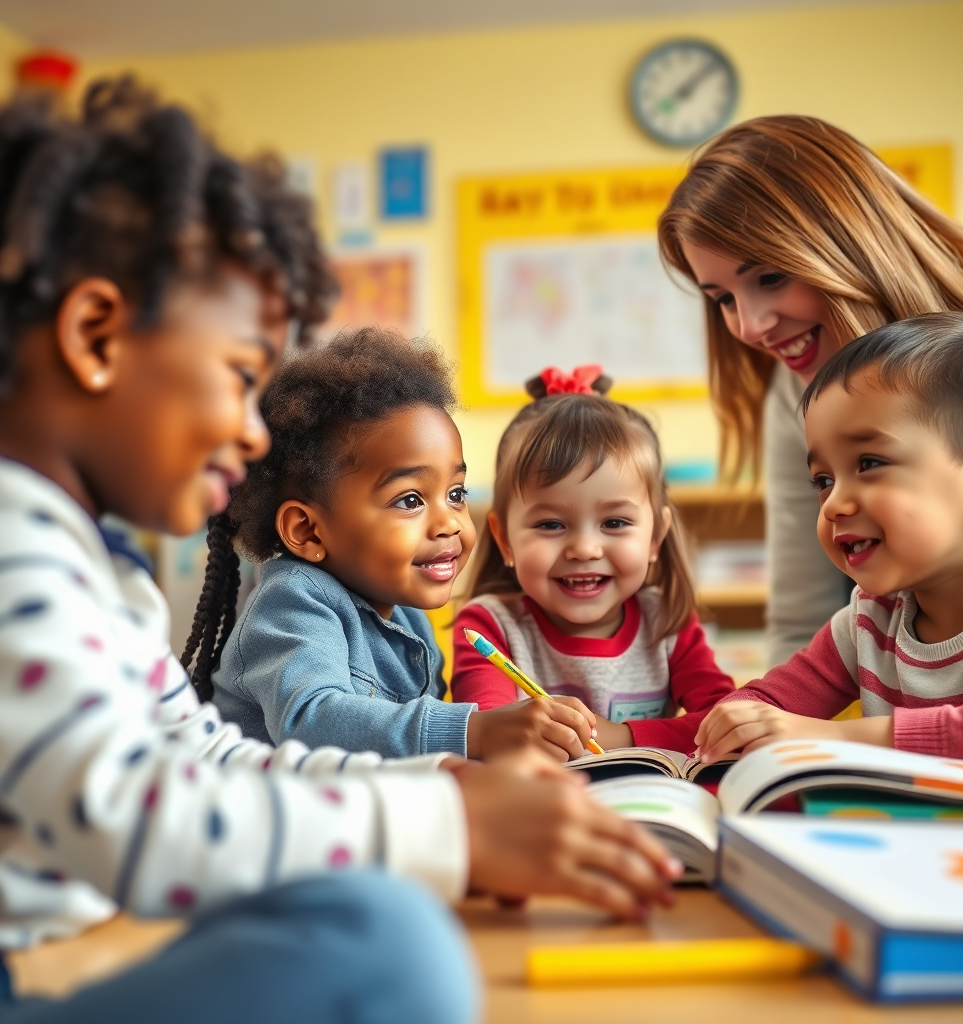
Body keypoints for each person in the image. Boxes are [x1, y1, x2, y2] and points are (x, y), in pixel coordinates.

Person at [0, 79, 679, 1023]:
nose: (249, 435)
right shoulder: (13, 553)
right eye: (241, 378)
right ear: (96, 336)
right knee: (387, 942)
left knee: (375, 918)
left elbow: (208, 761)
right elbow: (140, 818)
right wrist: (450, 821)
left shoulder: (98, 570)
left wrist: (443, 786)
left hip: (60, 957)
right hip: (41, 966)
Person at [658, 115, 963, 668]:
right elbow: (801, 622)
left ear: (847, 245)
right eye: (722, 299)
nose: (751, 327)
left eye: (770, 277)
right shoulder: (793, 395)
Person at [189, 330, 606, 763]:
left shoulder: (407, 616)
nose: (449, 522)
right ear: (308, 531)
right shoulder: (291, 603)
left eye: (457, 494)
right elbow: (311, 721)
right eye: (410, 500)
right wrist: (474, 730)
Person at [695, 313, 963, 766]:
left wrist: (848, 736)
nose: (833, 505)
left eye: (869, 463)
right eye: (823, 480)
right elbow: (764, 702)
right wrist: (739, 720)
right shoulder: (867, 621)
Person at [450, 366, 734, 756]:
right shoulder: (489, 626)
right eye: (551, 524)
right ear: (505, 540)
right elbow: (489, 731)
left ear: (655, 536)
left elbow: (724, 721)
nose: (584, 549)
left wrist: (618, 736)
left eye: (614, 522)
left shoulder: (667, 621)